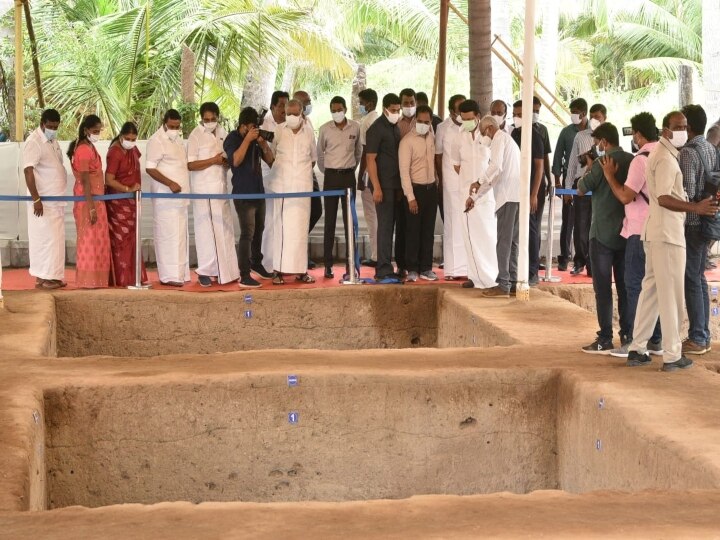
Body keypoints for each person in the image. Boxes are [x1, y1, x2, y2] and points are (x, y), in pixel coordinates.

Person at [626, 111, 717, 371]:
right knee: (671, 295)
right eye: (678, 127)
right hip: (666, 235)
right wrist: (696, 208)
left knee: (652, 292)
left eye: (685, 126)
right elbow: (665, 197)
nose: (682, 131)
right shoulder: (665, 158)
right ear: (665, 130)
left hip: (657, 233)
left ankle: (637, 347)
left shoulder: (664, 155)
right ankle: (672, 354)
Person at [600, 113, 663, 358]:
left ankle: (638, 342)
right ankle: (656, 339)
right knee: (655, 286)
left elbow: (626, 196)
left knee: (635, 286)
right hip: (659, 228)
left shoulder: (641, 160)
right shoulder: (666, 154)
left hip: (639, 230)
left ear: (637, 134)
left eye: (634, 134)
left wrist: (609, 176)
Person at [577, 123, 633, 354]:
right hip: (626, 232)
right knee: (625, 287)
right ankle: (628, 335)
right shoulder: (632, 160)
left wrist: (589, 168)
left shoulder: (601, 163)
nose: (595, 147)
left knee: (603, 288)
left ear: (603, 142)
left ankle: (605, 337)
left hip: (601, 233)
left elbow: (581, 188)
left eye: (596, 142)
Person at [467, 115, 521, 298]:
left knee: (504, 242)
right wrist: (475, 196)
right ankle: (513, 282)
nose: (483, 137)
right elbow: (494, 177)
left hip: (508, 197)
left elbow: (495, 167)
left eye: (482, 133)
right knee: (512, 242)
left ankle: (503, 283)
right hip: (515, 196)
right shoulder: (507, 141)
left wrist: (478, 180)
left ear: (489, 128)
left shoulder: (499, 139)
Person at [679, 104, 718, 355]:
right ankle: (703, 332)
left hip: (694, 223)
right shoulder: (710, 148)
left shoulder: (689, 153)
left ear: (689, 127)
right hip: (709, 223)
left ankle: (698, 337)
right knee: (699, 278)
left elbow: (690, 193)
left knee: (691, 278)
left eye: (681, 125)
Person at [187, 102, 240, 287]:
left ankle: (226, 271)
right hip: (203, 190)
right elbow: (191, 165)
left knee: (224, 229)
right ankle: (205, 271)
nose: (210, 122)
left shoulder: (223, 132)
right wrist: (214, 160)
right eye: (206, 119)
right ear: (201, 118)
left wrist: (224, 163)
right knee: (205, 232)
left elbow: (226, 158)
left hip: (221, 188)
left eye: (213, 119)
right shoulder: (195, 135)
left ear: (218, 117)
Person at [224, 107, 275, 288]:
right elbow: (235, 161)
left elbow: (270, 160)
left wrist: (262, 144)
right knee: (247, 233)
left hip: (258, 191)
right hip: (243, 193)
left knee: (259, 229)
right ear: (243, 126)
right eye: (252, 127)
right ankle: (244, 274)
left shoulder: (255, 139)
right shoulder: (232, 138)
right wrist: (247, 140)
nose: (254, 130)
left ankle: (256, 263)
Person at [271, 99, 317, 284]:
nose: (290, 117)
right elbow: (273, 154)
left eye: (294, 114)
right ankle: (278, 272)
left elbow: (313, 158)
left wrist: (300, 174)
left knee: (299, 230)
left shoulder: (309, 131)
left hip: (302, 188)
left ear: (302, 114)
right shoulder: (279, 130)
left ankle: (300, 270)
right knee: (281, 230)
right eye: (287, 113)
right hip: (282, 187)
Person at [452, 99, 497, 289]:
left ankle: (492, 277)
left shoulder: (488, 134)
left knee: (487, 235)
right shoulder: (458, 137)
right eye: (463, 119)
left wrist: (481, 184)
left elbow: (494, 164)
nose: (467, 122)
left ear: (478, 117)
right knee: (469, 235)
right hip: (465, 193)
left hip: (485, 194)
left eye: (470, 118)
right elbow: (456, 164)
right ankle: (474, 276)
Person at [317, 96, 362, 279]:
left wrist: (350, 168)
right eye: (333, 110)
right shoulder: (324, 129)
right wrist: (329, 171)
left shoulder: (355, 127)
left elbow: (358, 152)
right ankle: (328, 265)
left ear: (345, 109)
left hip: (348, 177)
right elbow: (320, 154)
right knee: (329, 223)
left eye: (339, 109)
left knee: (349, 222)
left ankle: (350, 265)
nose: (337, 113)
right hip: (331, 177)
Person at [23, 108, 67, 290]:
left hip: (55, 201)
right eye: (50, 126)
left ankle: (46, 277)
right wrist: (36, 199)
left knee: (54, 239)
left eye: (56, 127)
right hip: (42, 202)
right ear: (42, 124)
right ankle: (47, 277)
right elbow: (28, 170)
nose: (53, 129)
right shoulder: (33, 141)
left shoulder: (52, 140)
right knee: (46, 240)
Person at [146, 109, 191, 287]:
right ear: (164, 123)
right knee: (167, 237)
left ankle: (180, 273)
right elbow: (150, 168)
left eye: (177, 126)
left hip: (180, 199)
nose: (175, 129)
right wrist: (170, 183)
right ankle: (168, 276)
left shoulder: (178, 139)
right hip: (165, 199)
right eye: (171, 126)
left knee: (180, 237)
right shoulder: (156, 141)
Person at [68, 114, 111, 288]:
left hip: (95, 200)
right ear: (86, 130)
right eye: (95, 131)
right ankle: (88, 281)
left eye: (99, 131)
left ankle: (97, 280)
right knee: (88, 241)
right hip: (88, 201)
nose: (97, 133)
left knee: (97, 240)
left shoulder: (89, 146)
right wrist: (92, 207)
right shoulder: (84, 149)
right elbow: (85, 180)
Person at [566, 103, 608, 277]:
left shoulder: (609, 137)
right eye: (592, 116)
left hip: (602, 186)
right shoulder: (580, 136)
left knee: (597, 225)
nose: (594, 119)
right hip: (582, 184)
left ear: (605, 117)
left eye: (597, 116)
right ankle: (579, 261)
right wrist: (568, 188)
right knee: (581, 225)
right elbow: (572, 164)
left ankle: (594, 264)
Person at [366, 93, 403, 280]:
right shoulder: (376, 128)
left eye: (398, 110)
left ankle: (390, 265)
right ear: (385, 109)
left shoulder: (395, 127)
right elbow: (370, 159)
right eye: (394, 110)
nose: (396, 113)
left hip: (396, 185)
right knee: (385, 226)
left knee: (393, 226)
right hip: (383, 185)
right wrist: (377, 187)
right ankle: (382, 268)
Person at [400, 105, 438, 282]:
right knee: (413, 231)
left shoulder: (431, 136)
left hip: (431, 190)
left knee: (428, 231)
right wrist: (411, 197)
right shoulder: (407, 141)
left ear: (431, 121)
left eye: (427, 122)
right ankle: (412, 268)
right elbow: (404, 172)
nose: (423, 124)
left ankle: (426, 268)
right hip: (415, 190)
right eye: (420, 121)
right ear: (415, 121)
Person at [105, 121, 146, 287]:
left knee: (133, 238)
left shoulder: (132, 148)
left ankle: (134, 277)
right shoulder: (115, 152)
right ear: (121, 136)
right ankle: (122, 279)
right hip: (119, 202)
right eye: (128, 138)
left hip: (132, 200)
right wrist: (127, 188)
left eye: (134, 138)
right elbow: (109, 179)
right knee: (121, 240)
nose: (131, 141)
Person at [510, 100, 545, 286]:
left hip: (533, 189)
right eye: (515, 114)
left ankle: (533, 271)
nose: (516, 118)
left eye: (520, 114)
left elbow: (539, 168)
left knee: (531, 230)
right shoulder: (514, 133)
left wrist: (533, 195)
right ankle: (518, 269)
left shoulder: (535, 136)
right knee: (518, 230)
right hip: (516, 189)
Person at [552, 99, 587, 271]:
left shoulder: (592, 132)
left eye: (577, 111)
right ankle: (564, 258)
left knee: (584, 222)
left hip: (589, 180)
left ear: (584, 113)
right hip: (569, 179)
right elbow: (558, 156)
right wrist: (558, 180)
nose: (573, 114)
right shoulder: (566, 132)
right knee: (568, 221)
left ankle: (582, 260)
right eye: (571, 111)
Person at [436, 94, 467, 280]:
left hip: (468, 183)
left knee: (467, 224)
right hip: (450, 183)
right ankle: (453, 270)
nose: (463, 113)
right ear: (451, 111)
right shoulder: (442, 128)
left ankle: (469, 269)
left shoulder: (472, 126)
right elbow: (438, 156)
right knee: (453, 224)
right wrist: (440, 179)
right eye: (459, 109)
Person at [260, 90, 290, 275]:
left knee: (283, 221)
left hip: (286, 179)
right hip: (266, 178)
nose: (283, 111)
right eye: (280, 106)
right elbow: (265, 154)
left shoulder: (289, 125)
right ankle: (267, 262)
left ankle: (283, 261)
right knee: (269, 222)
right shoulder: (263, 125)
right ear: (272, 107)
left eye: (286, 106)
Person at [294, 89, 322, 268]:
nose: (308, 105)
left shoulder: (309, 122)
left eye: (309, 101)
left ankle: (301, 250)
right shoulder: (289, 125)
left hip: (309, 174)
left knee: (316, 211)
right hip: (295, 178)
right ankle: (299, 255)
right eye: (305, 103)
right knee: (297, 217)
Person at [357, 88, 380, 267]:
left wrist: (360, 175)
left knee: (372, 216)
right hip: (381, 174)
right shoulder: (380, 119)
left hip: (369, 175)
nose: (360, 106)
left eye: (362, 103)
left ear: (370, 103)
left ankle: (375, 255)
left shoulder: (367, 122)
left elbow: (366, 151)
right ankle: (379, 253)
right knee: (379, 216)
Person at [532, 96, 553, 247]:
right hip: (519, 183)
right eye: (532, 110)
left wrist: (549, 181)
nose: (534, 113)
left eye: (537, 111)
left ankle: (534, 258)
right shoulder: (514, 130)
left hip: (538, 182)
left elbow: (545, 157)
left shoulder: (542, 130)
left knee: (536, 222)